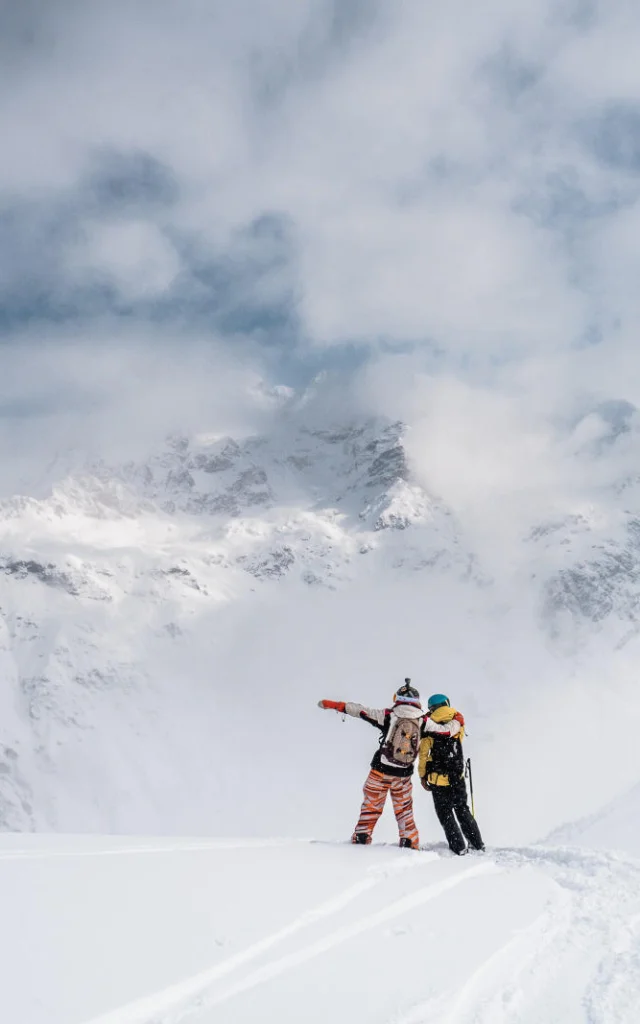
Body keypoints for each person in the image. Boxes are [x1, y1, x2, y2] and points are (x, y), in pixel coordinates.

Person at [317, 680, 461, 849]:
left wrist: (336, 705)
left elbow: (360, 711)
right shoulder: (423, 721)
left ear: (398, 699)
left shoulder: (388, 715)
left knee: (371, 806)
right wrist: (458, 719)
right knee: (404, 810)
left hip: (379, 771)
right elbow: (447, 731)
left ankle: (362, 837)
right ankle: (409, 841)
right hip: (403, 776)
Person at [418, 693, 484, 856]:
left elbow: (423, 754)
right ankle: (477, 844)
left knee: (445, 814)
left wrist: (422, 776)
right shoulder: (457, 721)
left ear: (432, 708)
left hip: (438, 780)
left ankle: (459, 847)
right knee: (462, 809)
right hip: (457, 777)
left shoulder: (428, 726)